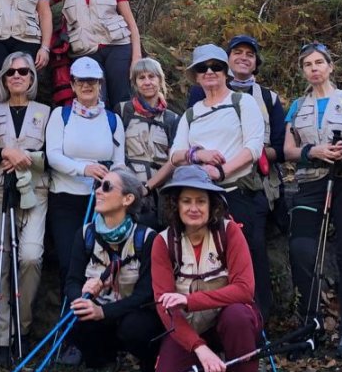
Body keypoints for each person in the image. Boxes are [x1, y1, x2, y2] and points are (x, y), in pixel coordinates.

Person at [150, 166, 264, 372]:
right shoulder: (163, 242)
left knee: (238, 315)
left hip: (229, 321)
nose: (194, 208)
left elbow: (245, 289)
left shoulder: (229, 232)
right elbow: (163, 306)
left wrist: (189, 301)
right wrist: (199, 348)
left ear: (212, 205)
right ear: (175, 205)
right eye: (186, 201)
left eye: (201, 201)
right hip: (190, 328)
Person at [168, 44, 271, 318]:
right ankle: (211, 325)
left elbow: (253, 147)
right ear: (196, 76)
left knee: (248, 260)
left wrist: (221, 172)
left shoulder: (242, 102)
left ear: (226, 71)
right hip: (201, 200)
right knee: (209, 263)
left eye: (216, 66)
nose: (210, 72)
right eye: (203, 68)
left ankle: (255, 325)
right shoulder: (191, 113)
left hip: (238, 194)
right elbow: (175, 154)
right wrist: (196, 154)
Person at [282, 42, 342, 359]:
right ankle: (310, 325)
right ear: (303, 71)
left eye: (320, 62)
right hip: (311, 181)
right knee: (302, 248)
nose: (314, 68)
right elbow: (287, 149)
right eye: (308, 64)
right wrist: (313, 151)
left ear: (330, 67)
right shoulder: (296, 106)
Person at [45, 56, 126, 364]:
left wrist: (109, 179)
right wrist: (83, 169)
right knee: (71, 266)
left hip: (103, 202)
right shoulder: (60, 116)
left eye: (92, 83)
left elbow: (120, 160)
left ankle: (101, 339)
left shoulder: (112, 120)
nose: (87, 87)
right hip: (67, 199)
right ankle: (71, 338)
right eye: (81, 82)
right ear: (73, 85)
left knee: (103, 268)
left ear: (100, 85)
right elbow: (53, 155)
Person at [0, 52, 51, 364]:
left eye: (24, 71)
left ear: (33, 78)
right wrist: (5, 153)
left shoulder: (47, 113)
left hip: (35, 191)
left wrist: (27, 157)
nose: (17, 76)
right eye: (11, 72)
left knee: (31, 257)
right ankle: (1, 337)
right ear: (3, 79)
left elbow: (55, 153)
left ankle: (21, 328)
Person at [66, 167, 159, 372]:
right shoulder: (85, 234)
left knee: (135, 327)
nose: (98, 191)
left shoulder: (147, 238)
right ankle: (103, 364)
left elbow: (146, 294)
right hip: (101, 308)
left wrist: (104, 312)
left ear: (128, 199)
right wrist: (81, 299)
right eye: (97, 186)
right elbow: (71, 281)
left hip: (134, 313)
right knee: (81, 317)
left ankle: (151, 368)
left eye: (106, 187)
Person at [186, 34, 287, 234]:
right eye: (237, 52)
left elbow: (280, 149)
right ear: (227, 60)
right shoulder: (202, 92)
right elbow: (190, 137)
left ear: (256, 62)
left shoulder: (268, 98)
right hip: (210, 179)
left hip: (256, 183)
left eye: (250, 54)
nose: (243, 57)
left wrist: (250, 152)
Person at [48, 0, 142, 108]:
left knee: (121, 99)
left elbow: (131, 24)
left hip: (117, 48)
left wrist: (136, 57)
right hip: (84, 51)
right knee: (94, 101)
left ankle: (121, 134)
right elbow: (42, 6)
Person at [117, 58, 181, 225]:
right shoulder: (123, 111)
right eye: (141, 77)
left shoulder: (172, 119)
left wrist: (148, 186)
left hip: (162, 196)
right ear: (135, 83)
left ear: (160, 80)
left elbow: (174, 161)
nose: (147, 82)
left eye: (151, 77)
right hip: (128, 192)